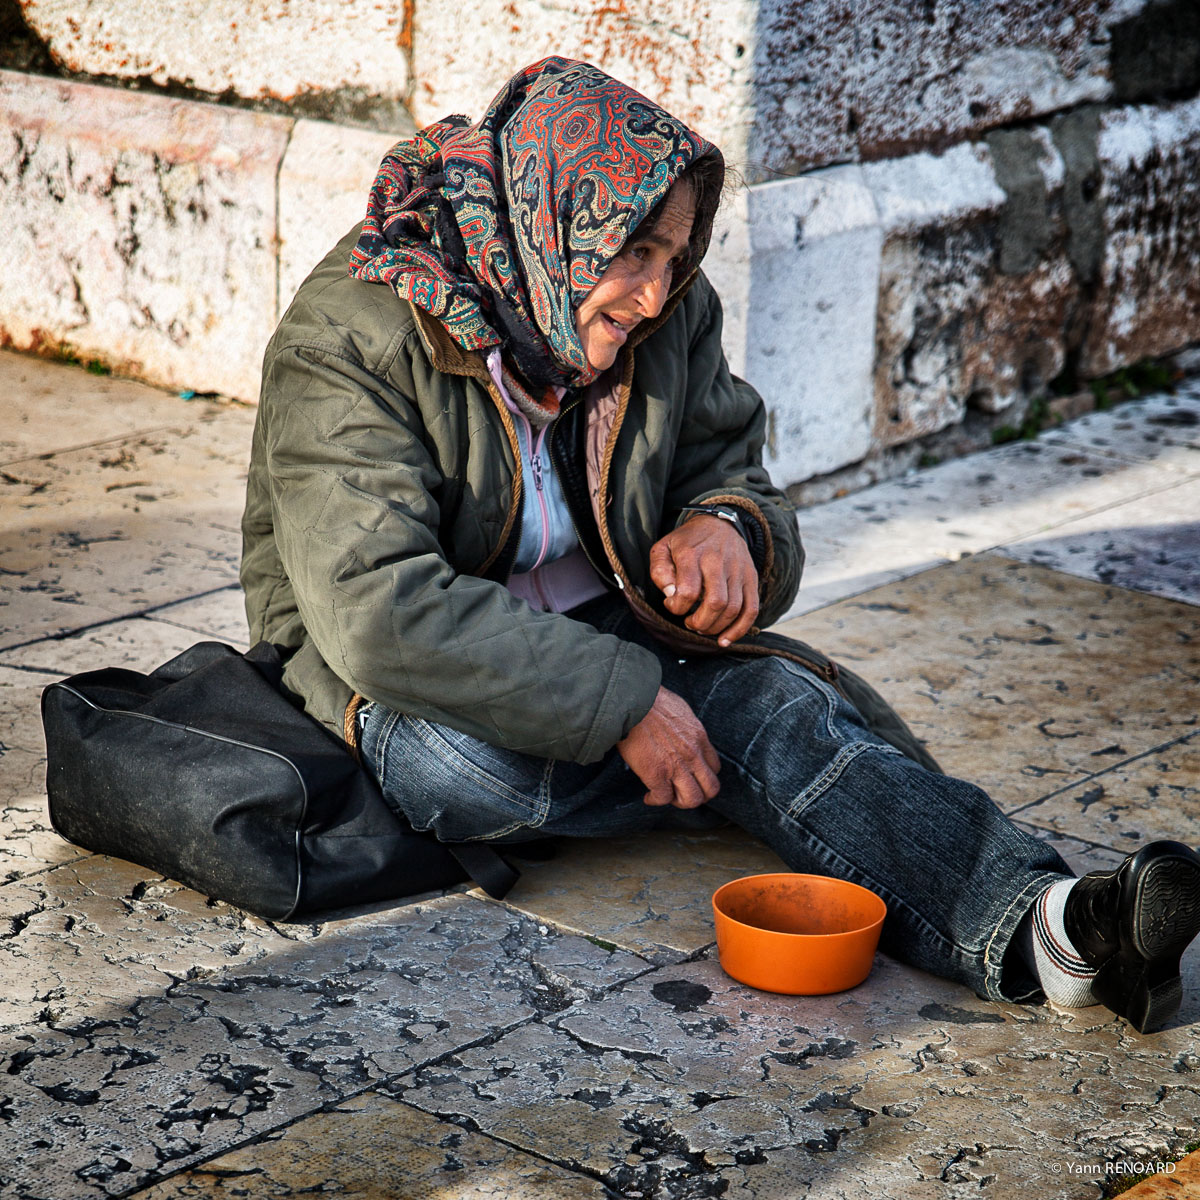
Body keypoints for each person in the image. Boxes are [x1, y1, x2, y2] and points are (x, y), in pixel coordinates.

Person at [241, 57, 1200, 1033]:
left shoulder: (668, 312)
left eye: (676, 255)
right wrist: (622, 704)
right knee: (480, 767)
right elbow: (375, 613)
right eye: (635, 254)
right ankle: (750, 773)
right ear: (553, 223)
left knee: (776, 705)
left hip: (612, 628)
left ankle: (1056, 934)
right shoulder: (352, 336)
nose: (656, 297)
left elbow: (729, 462)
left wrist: (728, 528)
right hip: (396, 687)